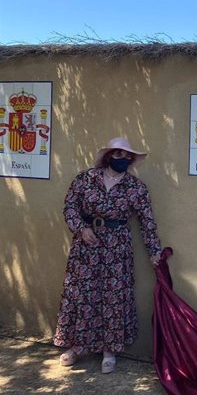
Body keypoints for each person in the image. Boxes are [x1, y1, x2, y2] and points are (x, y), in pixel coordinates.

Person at [54, 137, 162, 374]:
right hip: (87, 246)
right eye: (118, 154)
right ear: (108, 155)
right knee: (82, 293)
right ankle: (79, 345)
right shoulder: (85, 179)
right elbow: (70, 206)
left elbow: (147, 222)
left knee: (114, 297)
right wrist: (81, 228)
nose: (122, 159)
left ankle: (109, 350)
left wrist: (155, 252)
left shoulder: (136, 188)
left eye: (127, 157)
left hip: (118, 247)